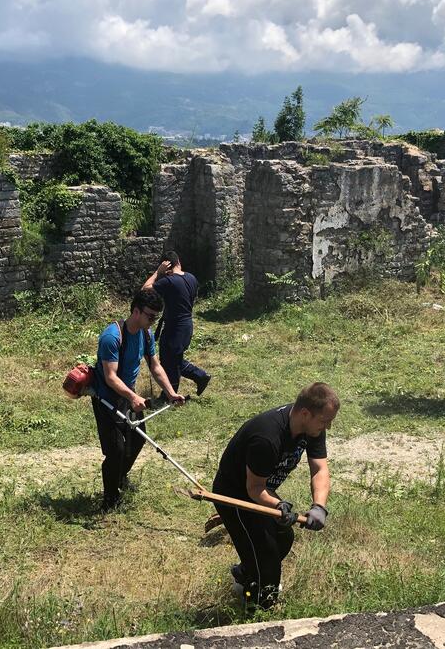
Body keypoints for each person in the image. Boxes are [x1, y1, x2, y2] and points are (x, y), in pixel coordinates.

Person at [211, 382, 337, 610]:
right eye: (324, 421)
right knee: (266, 557)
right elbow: (254, 489)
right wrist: (279, 505)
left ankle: (246, 574)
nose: (327, 426)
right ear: (305, 413)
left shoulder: (312, 426)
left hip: (261, 490)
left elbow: (320, 469)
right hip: (235, 494)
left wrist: (319, 506)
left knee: (283, 538)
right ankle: (259, 608)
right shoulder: (267, 437)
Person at [92, 288, 185, 510]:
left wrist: (170, 392)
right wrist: (133, 396)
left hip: (129, 397)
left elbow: (155, 365)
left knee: (138, 440)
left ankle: (119, 478)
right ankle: (109, 501)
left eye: (156, 317)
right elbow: (110, 377)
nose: (153, 321)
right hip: (107, 399)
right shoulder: (112, 337)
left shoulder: (146, 334)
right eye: (150, 316)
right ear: (136, 311)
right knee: (116, 450)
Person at [141, 251, 211, 396]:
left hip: (175, 327)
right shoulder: (191, 278)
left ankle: (170, 395)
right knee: (171, 359)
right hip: (186, 325)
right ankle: (200, 376)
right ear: (178, 262)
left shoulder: (169, 281)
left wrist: (157, 273)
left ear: (166, 266)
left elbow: (145, 290)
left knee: (170, 362)